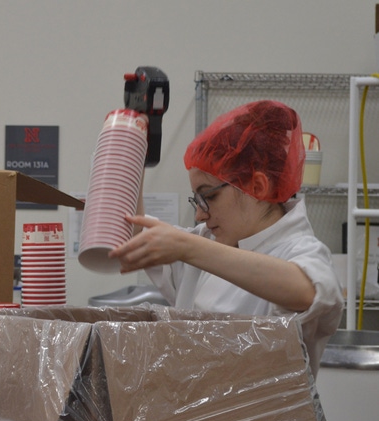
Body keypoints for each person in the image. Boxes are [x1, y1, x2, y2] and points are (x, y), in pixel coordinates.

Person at [109, 100, 343, 377]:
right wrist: (133, 144)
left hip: (261, 420)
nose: (198, 215)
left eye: (208, 196)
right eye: (195, 199)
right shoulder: (207, 242)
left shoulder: (301, 250)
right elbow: (137, 237)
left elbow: (309, 292)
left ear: (257, 186)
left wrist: (188, 247)